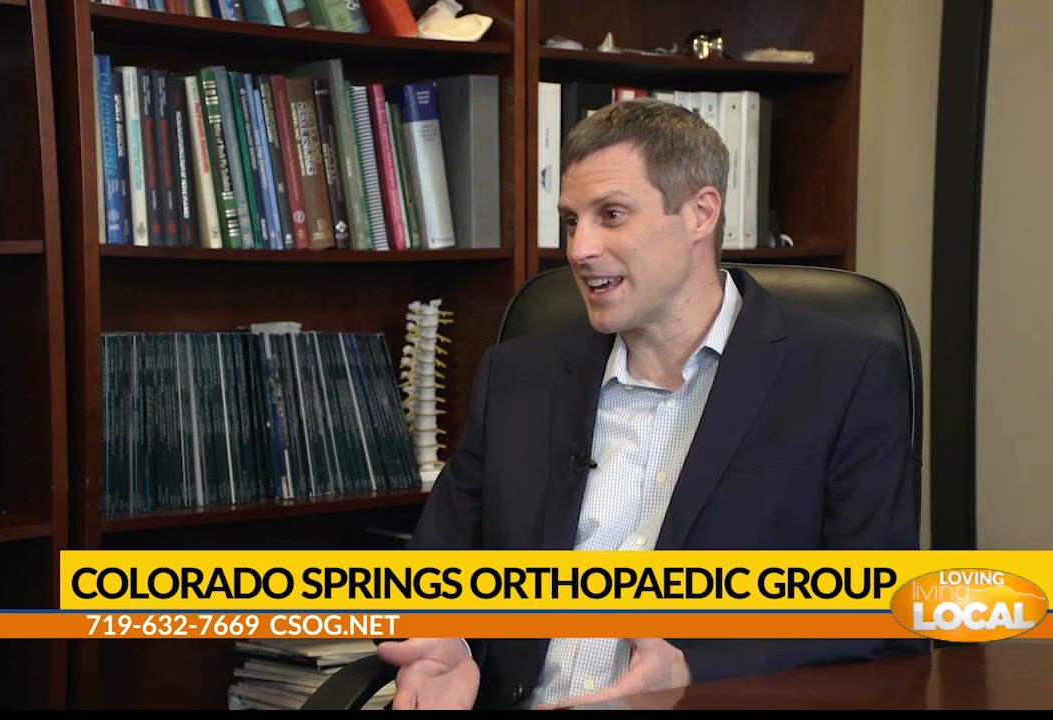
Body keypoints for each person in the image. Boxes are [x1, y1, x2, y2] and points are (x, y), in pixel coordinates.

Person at [377, 97, 924, 710]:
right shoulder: (518, 377)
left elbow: (878, 612)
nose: (579, 249)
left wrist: (693, 671)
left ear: (700, 213)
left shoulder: (843, 375)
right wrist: (444, 640)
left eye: (611, 215)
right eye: (571, 221)